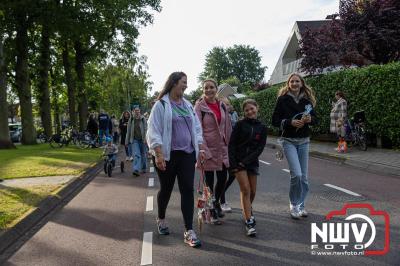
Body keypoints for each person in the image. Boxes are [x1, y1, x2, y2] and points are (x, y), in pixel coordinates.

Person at [146, 72, 205, 248]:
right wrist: (158, 153)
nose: (186, 85)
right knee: (166, 189)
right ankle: (162, 218)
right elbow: (153, 131)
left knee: (187, 189)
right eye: (183, 82)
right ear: (173, 83)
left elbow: (196, 128)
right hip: (168, 155)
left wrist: (200, 148)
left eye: (187, 82)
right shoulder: (161, 105)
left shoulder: (187, 105)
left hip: (187, 154)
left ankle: (189, 230)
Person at [271, 73, 318, 220]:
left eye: (297, 81)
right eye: (292, 81)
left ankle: (301, 205)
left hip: (304, 141)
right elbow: (274, 120)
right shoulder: (282, 100)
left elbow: (316, 119)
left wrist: (310, 119)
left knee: (304, 178)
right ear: (288, 84)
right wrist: (290, 122)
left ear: (302, 83)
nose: (295, 83)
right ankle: (294, 204)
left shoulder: (307, 101)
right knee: (296, 174)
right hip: (288, 141)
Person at [194, 79, 231, 224]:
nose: (209, 90)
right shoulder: (199, 107)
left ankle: (215, 203)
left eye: (212, 87)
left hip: (221, 148)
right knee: (208, 183)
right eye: (206, 88)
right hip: (207, 149)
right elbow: (197, 130)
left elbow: (227, 126)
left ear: (216, 89)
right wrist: (203, 148)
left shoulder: (221, 105)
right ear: (203, 90)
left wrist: (229, 143)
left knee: (223, 178)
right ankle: (211, 212)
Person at [229, 99, 267, 237]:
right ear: (243, 113)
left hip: (251, 162)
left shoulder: (262, 127)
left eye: (252, 108)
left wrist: (246, 161)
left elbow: (260, 148)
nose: (250, 111)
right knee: (245, 190)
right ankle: (249, 221)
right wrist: (233, 163)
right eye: (246, 110)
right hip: (238, 163)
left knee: (253, 192)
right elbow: (232, 144)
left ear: (257, 108)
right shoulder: (239, 125)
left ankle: (247, 209)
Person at [218, 97, 235, 213]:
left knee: (233, 174)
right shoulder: (219, 118)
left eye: (228, 104)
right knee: (222, 178)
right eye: (224, 104)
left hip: (231, 151)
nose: (227, 106)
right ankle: (221, 201)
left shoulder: (232, 116)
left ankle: (220, 195)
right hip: (220, 152)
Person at [126, 105, 147, 176]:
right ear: (133, 112)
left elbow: (146, 129)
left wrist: (146, 139)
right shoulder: (131, 120)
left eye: (138, 110)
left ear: (140, 111)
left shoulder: (143, 119)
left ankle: (144, 168)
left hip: (143, 139)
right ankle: (136, 169)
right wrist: (127, 141)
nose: (137, 112)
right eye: (135, 111)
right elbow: (128, 131)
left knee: (143, 154)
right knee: (136, 154)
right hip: (135, 140)